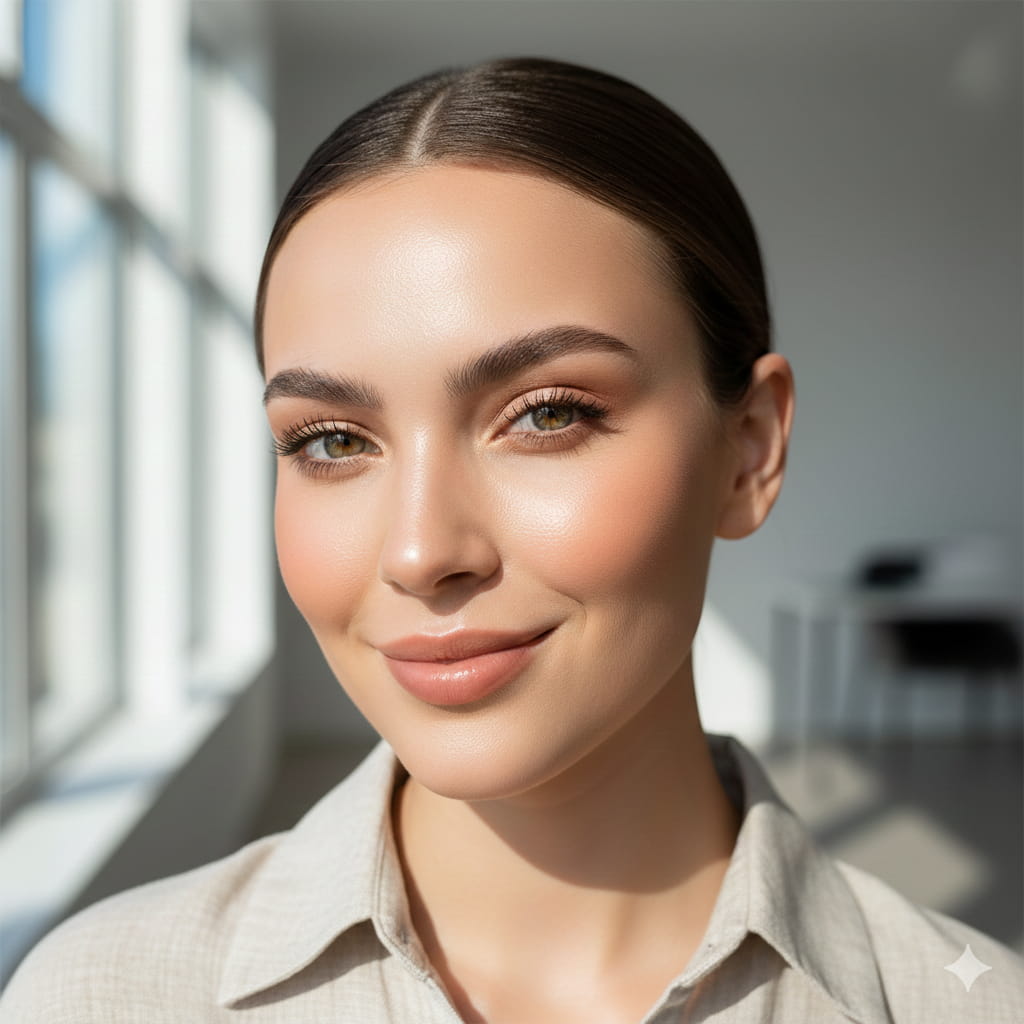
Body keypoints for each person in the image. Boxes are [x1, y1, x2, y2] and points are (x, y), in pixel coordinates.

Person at [1, 55, 1021, 1024]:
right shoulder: (101, 995)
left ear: (747, 449)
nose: (418, 550)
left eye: (546, 414)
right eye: (333, 439)